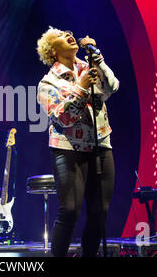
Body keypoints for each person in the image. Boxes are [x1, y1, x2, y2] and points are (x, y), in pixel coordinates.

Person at [36, 26, 119, 257]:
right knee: (70, 210)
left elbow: (112, 86)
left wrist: (97, 56)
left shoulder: (89, 66)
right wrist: (81, 87)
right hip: (68, 149)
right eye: (61, 36)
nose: (68, 35)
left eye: (67, 32)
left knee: (99, 211)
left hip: (101, 145)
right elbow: (64, 118)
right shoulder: (47, 83)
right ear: (53, 51)